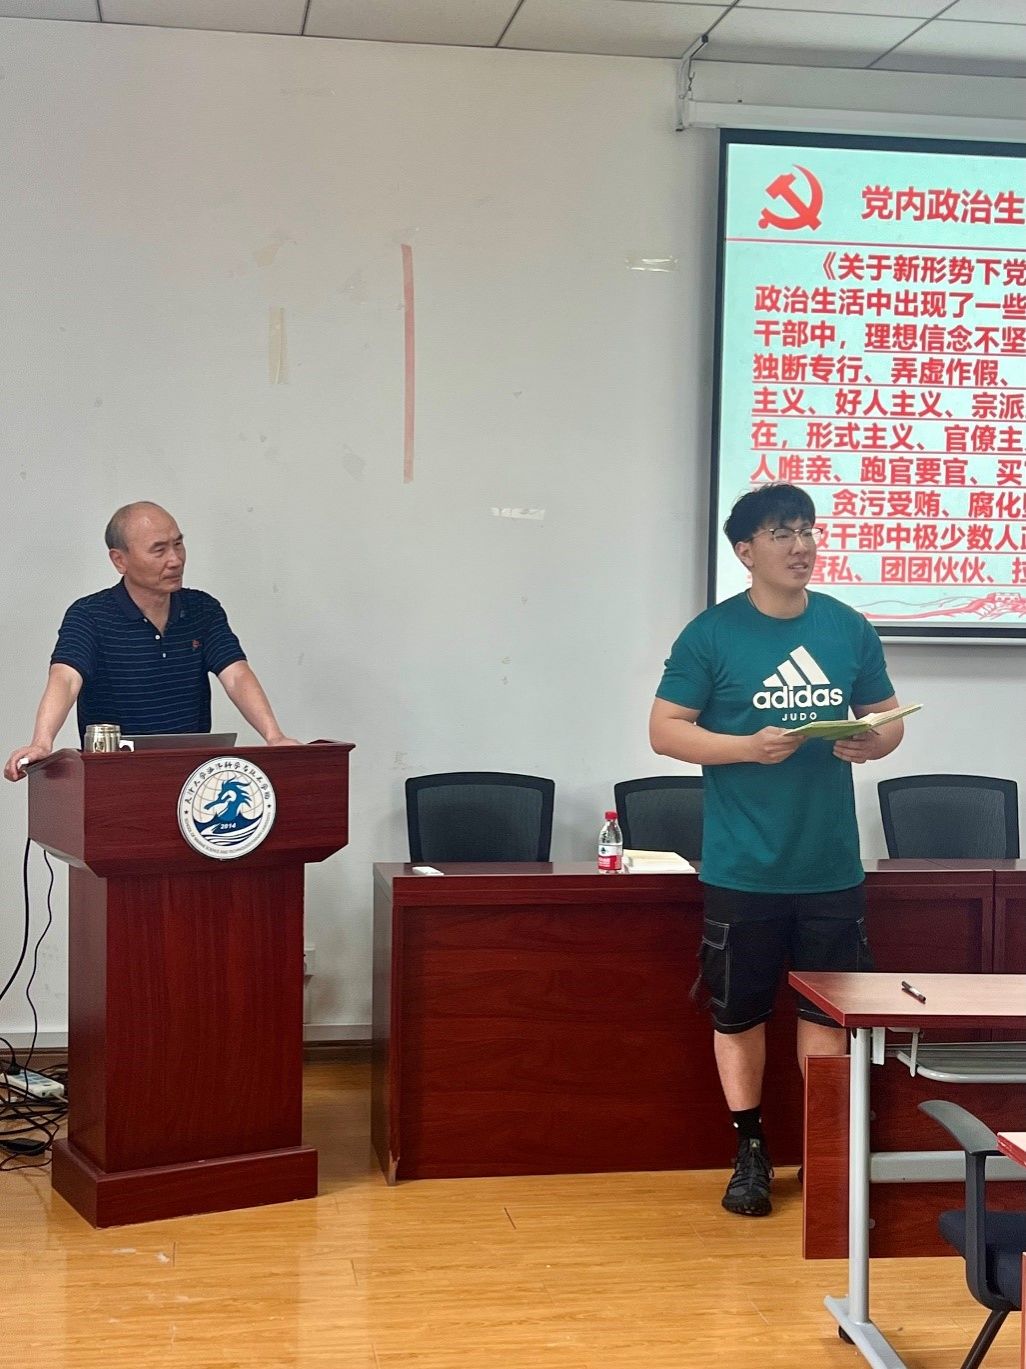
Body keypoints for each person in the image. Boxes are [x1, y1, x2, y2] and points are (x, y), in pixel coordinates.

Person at [649, 483, 904, 1217]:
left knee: (828, 1015)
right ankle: (750, 1150)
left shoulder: (847, 627)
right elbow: (665, 730)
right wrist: (745, 747)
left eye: (808, 530)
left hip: (830, 864)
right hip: (744, 866)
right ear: (745, 551)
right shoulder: (711, 634)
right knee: (739, 1013)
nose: (802, 546)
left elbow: (889, 720)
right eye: (782, 533)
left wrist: (872, 742)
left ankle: (825, 1154)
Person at [4, 502, 298, 780]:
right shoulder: (89, 615)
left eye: (178, 545)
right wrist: (42, 741)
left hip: (191, 778)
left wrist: (274, 736)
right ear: (119, 560)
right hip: (113, 776)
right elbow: (66, 679)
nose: (175, 560)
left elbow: (236, 675)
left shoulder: (203, 610)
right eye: (159, 550)